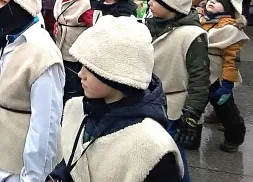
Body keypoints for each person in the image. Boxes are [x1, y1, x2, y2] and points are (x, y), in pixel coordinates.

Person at [49, 16, 183, 182]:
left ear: (116, 72)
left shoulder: (153, 147)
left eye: (90, 68)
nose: (80, 74)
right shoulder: (76, 109)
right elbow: (70, 160)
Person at [0, 0, 64, 182]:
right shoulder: (1, 40)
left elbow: (45, 125)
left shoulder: (42, 55)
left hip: (19, 166)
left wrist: (34, 176)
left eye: (2, 2)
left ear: (21, 4)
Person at [145, 0, 210, 181]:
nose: (149, 3)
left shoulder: (191, 35)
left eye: (155, 0)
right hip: (151, 100)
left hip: (174, 108)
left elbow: (200, 79)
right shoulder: (152, 24)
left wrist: (191, 115)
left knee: (174, 157)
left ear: (170, 4)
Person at [194, 0, 249, 152]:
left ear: (228, 6)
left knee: (225, 106)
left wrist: (227, 84)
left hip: (217, 74)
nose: (211, 2)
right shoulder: (200, 17)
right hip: (198, 69)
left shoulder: (231, 29)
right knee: (196, 102)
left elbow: (231, 61)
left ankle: (235, 136)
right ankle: (194, 131)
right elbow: (185, 1)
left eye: (218, 1)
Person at [53, 0, 95, 103]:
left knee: (72, 86)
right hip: (59, 47)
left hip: (73, 52)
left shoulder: (87, 3)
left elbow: (92, 29)